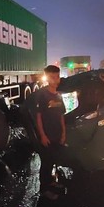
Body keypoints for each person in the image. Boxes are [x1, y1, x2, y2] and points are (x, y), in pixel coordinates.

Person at [35, 65, 66, 200]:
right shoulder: (43, 95)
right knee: (46, 163)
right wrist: (42, 135)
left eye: (57, 76)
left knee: (53, 160)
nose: (55, 79)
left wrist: (64, 133)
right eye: (52, 77)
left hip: (57, 134)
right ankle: (44, 190)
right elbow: (39, 116)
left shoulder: (58, 95)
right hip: (46, 135)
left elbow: (61, 116)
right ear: (47, 78)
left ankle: (51, 182)